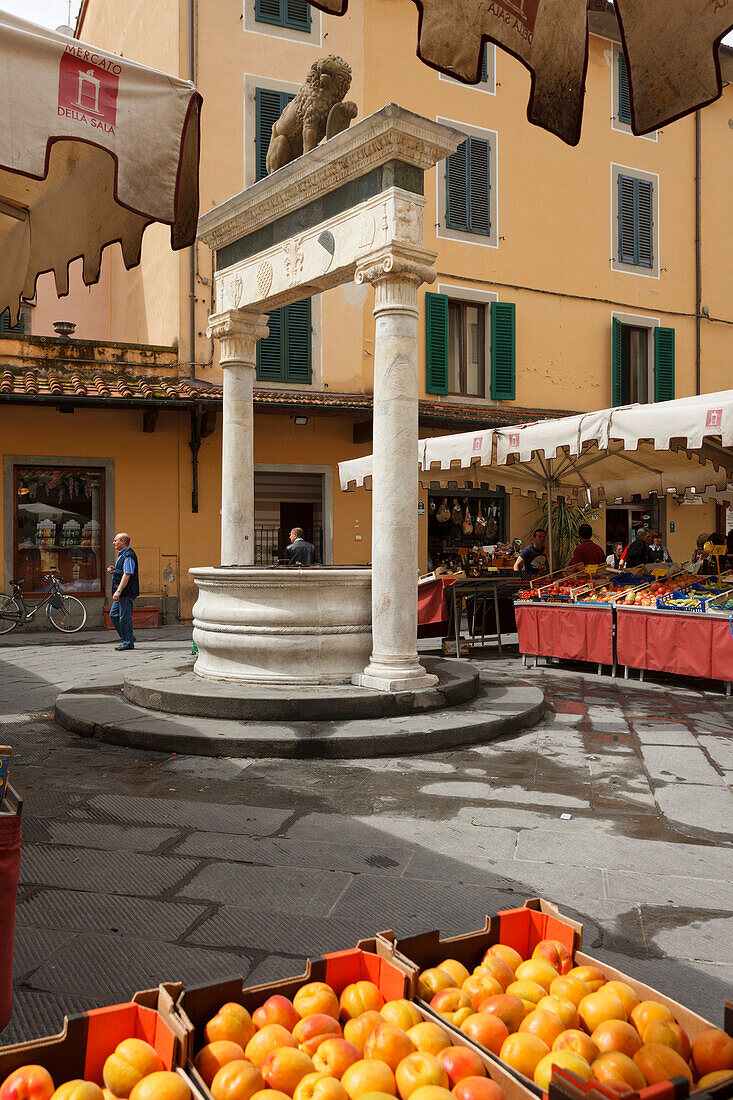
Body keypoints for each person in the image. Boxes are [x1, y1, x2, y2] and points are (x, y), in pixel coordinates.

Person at [107, 532, 139, 651]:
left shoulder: (128, 555)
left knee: (124, 617)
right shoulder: (123, 554)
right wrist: (115, 571)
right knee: (114, 615)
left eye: (116, 541)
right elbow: (124, 571)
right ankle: (128, 637)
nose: (114, 543)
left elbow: (127, 574)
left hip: (126, 592)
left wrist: (118, 591)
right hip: (122, 592)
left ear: (123, 542)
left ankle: (128, 642)